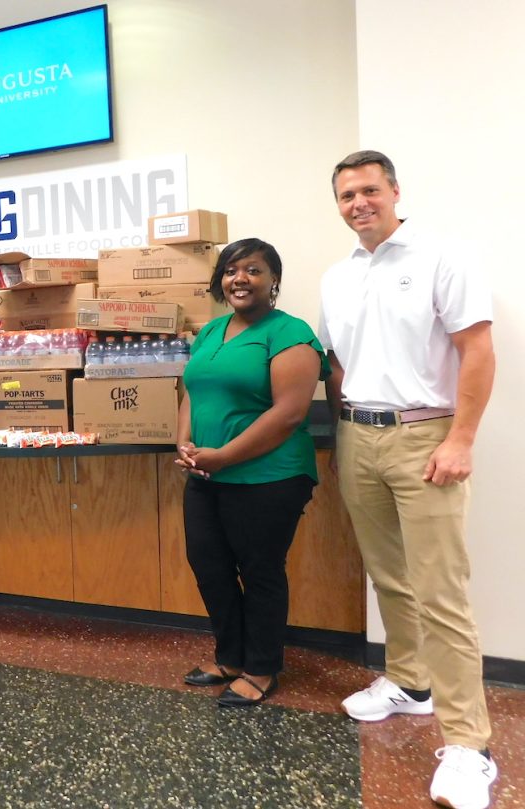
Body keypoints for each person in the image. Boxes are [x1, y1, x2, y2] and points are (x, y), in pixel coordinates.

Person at [319, 150, 497, 809]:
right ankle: (409, 683)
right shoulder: (337, 277)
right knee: (389, 575)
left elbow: (477, 348)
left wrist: (461, 437)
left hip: (427, 435)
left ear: (394, 190)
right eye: (346, 195)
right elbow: (338, 358)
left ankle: (469, 746)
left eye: (368, 190)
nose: (358, 202)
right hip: (358, 435)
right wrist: (351, 425)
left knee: (440, 590)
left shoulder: (440, 257)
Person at [176, 238, 329, 708]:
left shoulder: (290, 333)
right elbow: (192, 392)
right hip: (207, 475)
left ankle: (262, 668)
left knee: (260, 571)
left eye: (253, 270)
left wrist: (223, 456)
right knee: (209, 565)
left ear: (273, 280)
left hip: (269, 477)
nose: (239, 279)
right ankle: (231, 656)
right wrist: (185, 444)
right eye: (231, 270)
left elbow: (288, 413)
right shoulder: (210, 331)